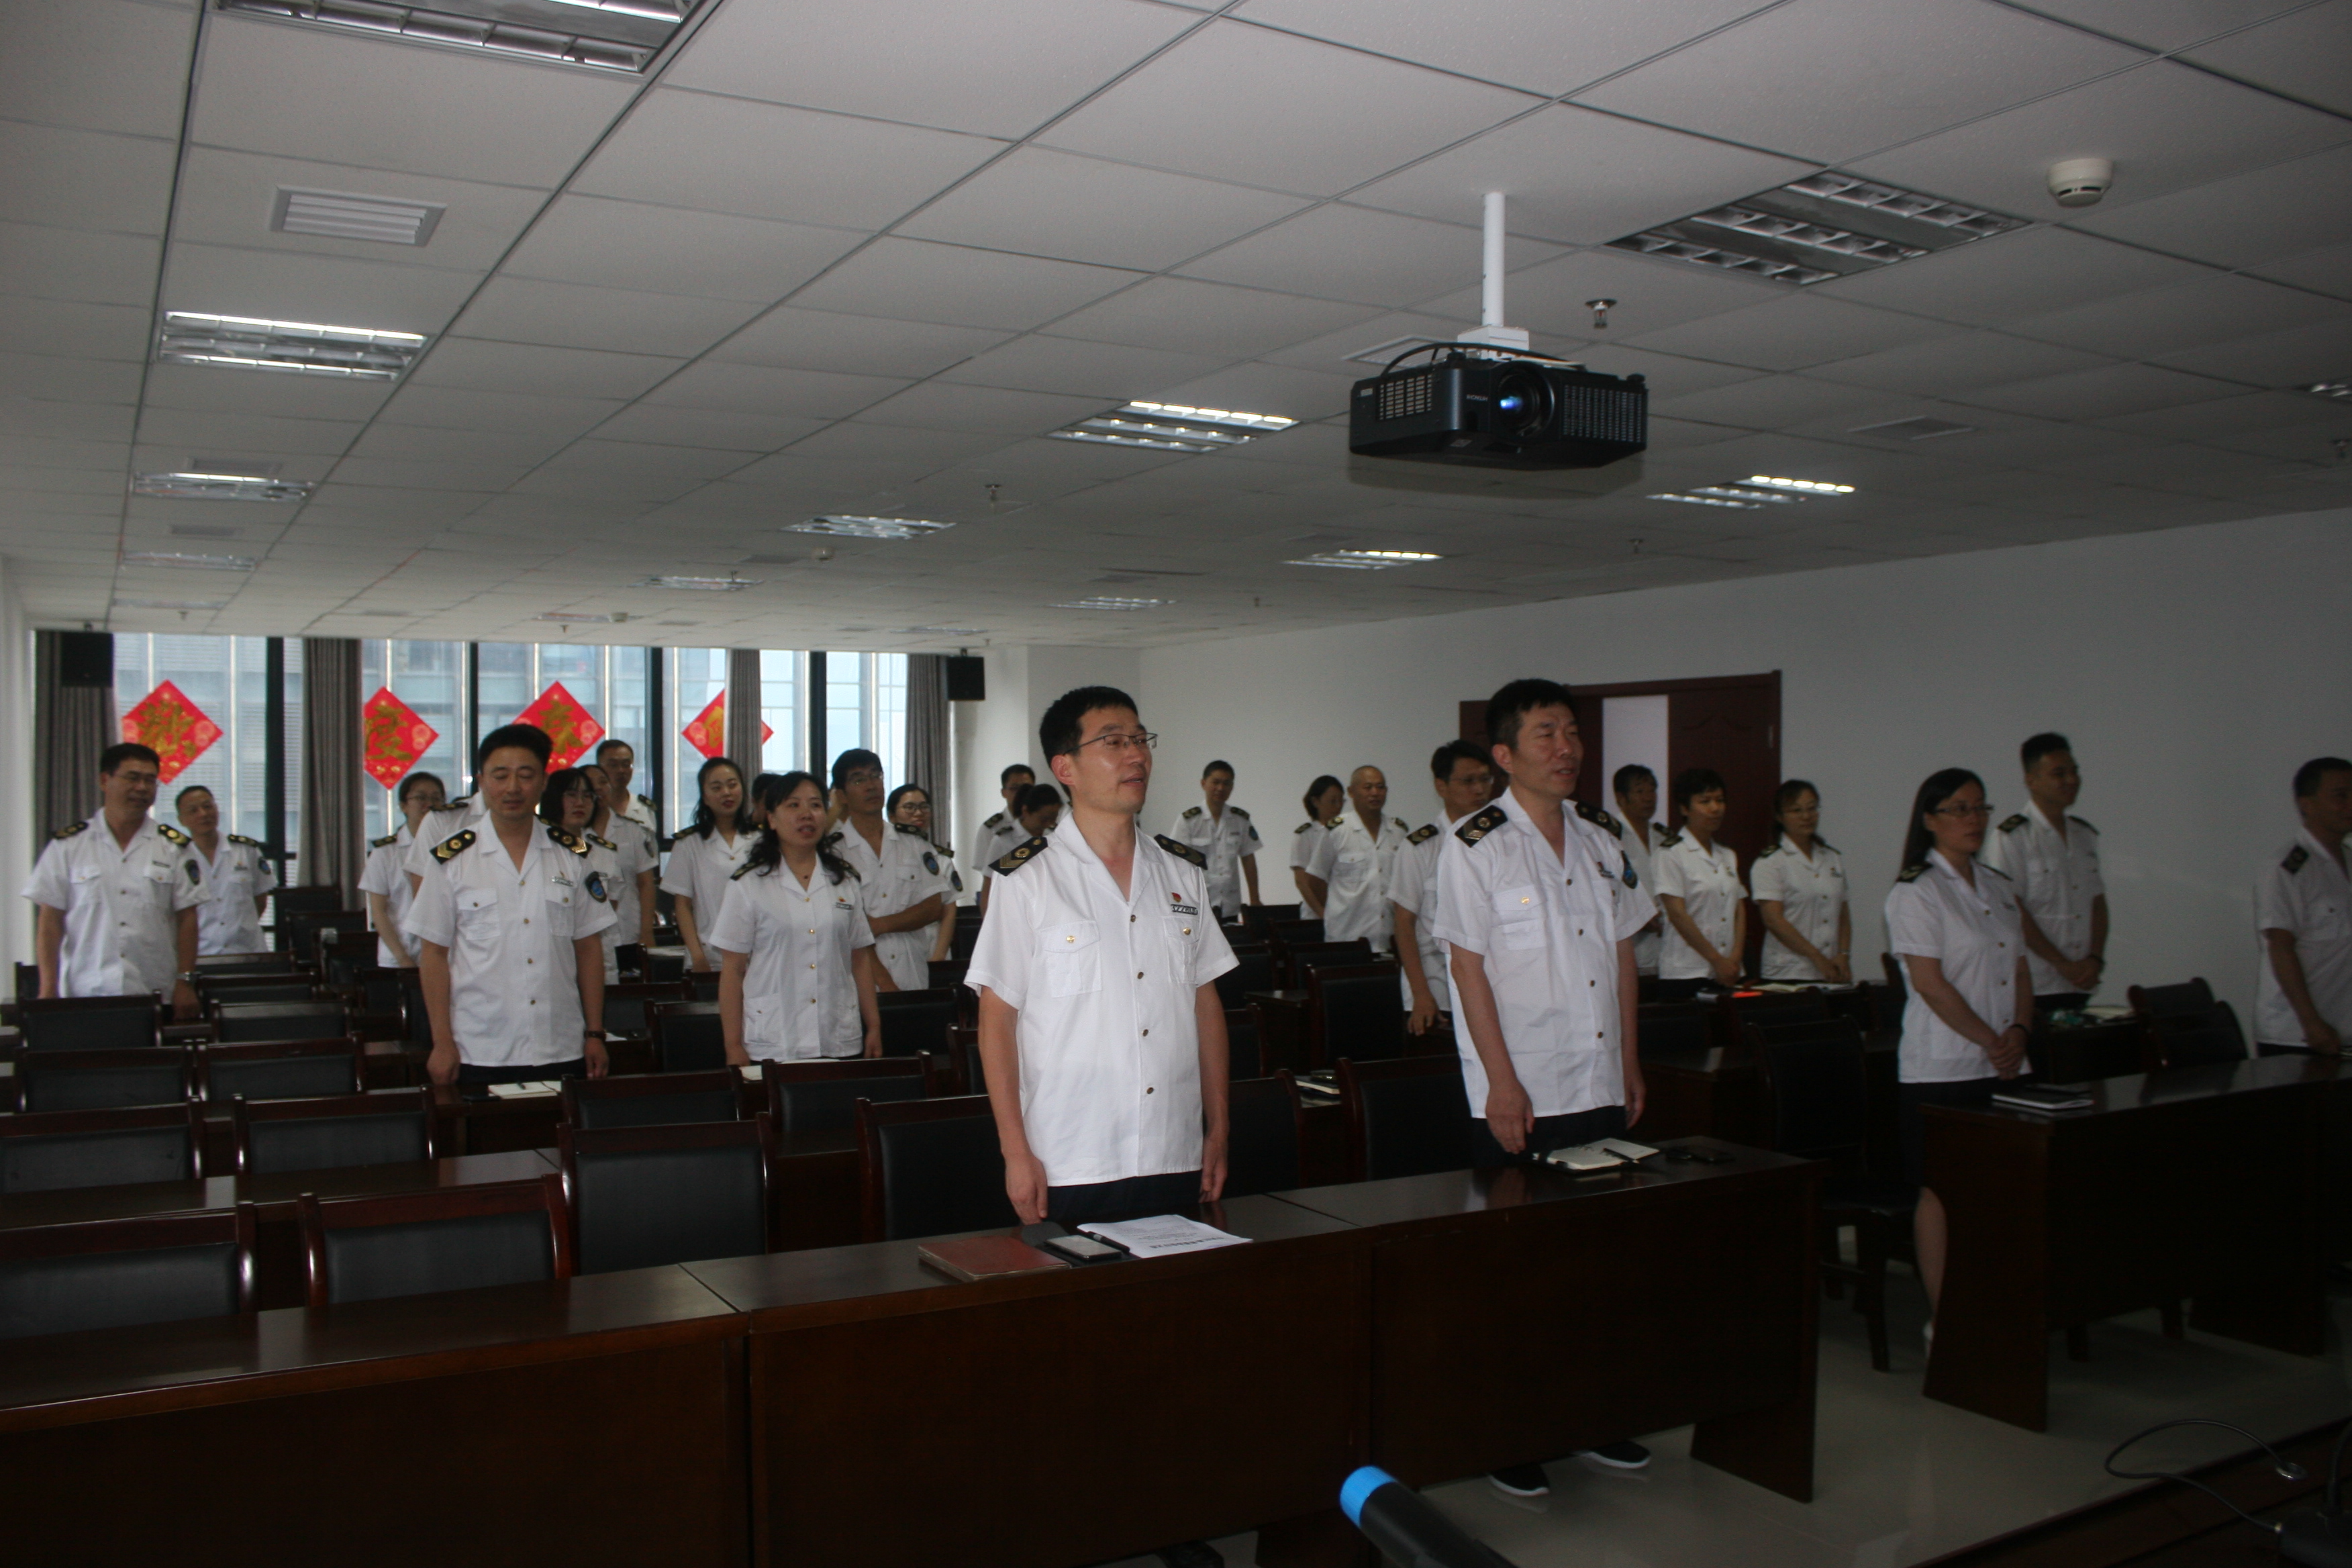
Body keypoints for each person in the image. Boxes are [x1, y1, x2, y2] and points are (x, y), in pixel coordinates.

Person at [1432, 679, 1655, 1489]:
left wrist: (1629, 1060)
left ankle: (1587, 1415)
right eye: (1545, 734)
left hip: (1595, 1078)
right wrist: (1501, 1082)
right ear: (1504, 754)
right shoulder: (1476, 845)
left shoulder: (1600, 837)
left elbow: (1623, 952)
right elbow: (1466, 967)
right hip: (1519, 1090)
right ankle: (1506, 1432)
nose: (1566, 748)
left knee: (1594, 1262)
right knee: (1515, 1270)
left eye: (1572, 732)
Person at [967, 685, 1237, 1228]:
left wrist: (1219, 1129)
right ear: (1065, 767)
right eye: (1114, 742)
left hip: (1173, 1147)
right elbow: (997, 1022)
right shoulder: (1028, 879)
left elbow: (1205, 1005)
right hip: (1070, 1157)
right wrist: (1015, 1151)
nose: (1136, 755)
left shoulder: (1182, 874)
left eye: (1140, 740)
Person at [1885, 767, 2030, 1338]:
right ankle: (1946, 1324)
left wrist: (2019, 1031)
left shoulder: (1998, 886)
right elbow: (1930, 983)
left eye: (1980, 808)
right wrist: (1992, 1039)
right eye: (1958, 809)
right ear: (1929, 819)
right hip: (1942, 1066)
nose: (1973, 819)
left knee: (1997, 1193)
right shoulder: (1916, 890)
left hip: (2005, 1062)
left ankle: (1992, 1306)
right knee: (1941, 1194)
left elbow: (2020, 969)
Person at [405, 724, 614, 1087]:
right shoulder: (451, 859)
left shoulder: (572, 855)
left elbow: (588, 947)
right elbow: (434, 954)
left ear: (544, 781)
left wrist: (595, 1033)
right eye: (501, 776)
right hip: (480, 1047)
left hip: (561, 1043)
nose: (513, 788)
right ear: (483, 781)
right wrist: (442, 1042)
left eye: (526, 775)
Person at [709, 771, 884, 1065]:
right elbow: (733, 971)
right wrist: (733, 1045)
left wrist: (874, 1026)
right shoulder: (747, 885)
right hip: (774, 1039)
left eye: (815, 805)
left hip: (837, 1034)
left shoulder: (844, 881)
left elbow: (860, 960)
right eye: (793, 805)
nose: (807, 814)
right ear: (772, 819)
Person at [26, 742, 209, 1017]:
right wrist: (48, 988)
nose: (142, 788)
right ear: (105, 781)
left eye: (150, 780)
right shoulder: (69, 846)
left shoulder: (174, 848)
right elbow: (50, 921)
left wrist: (185, 982)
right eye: (133, 778)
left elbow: (187, 919)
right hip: (85, 991)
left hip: (155, 989)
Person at [1980, 733, 2106, 1014]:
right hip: (2035, 985)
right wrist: (2062, 964)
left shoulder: (2084, 836)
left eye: (2074, 771)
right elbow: (2010, 909)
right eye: (2059, 774)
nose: (2071, 780)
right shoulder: (2012, 838)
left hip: (2080, 983)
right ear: (2031, 780)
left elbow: (2097, 903)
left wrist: (2095, 959)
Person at [822, 750, 953, 993]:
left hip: (911, 973)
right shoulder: (833, 852)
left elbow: (933, 907)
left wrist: (880, 925)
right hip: (857, 981)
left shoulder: (914, 843)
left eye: (876, 776)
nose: (871, 785)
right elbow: (844, 924)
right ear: (841, 795)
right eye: (859, 780)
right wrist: (885, 983)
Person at [1391, 740, 1493, 1033]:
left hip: (1492, 991)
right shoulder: (1421, 847)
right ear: (1441, 786)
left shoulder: (1500, 843)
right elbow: (1404, 924)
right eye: (1468, 781)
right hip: (1437, 993)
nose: (1480, 790)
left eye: (1485, 779)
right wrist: (1421, 994)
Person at [2254, 756, 2352, 1055]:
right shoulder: (2288, 868)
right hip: (2299, 1036)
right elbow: (2280, 947)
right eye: (2341, 796)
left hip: (2343, 1031)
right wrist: (2311, 1023)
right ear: (2306, 804)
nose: (2351, 804)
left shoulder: (2348, 860)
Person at [1651, 767, 1745, 997]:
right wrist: (1717, 960)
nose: (1715, 808)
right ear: (1685, 808)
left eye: (1720, 800)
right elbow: (1677, 914)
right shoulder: (1671, 853)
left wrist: (1734, 958)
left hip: (1729, 971)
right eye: (1705, 801)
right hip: (1686, 973)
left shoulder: (1727, 855)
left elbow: (1739, 909)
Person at [1749, 779, 1851, 983]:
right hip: (1788, 971)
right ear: (1780, 817)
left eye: (1811, 809)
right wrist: (1816, 956)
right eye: (1796, 811)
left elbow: (1843, 913)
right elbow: (1774, 920)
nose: (1806, 816)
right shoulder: (1770, 862)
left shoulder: (1832, 858)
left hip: (1831, 969)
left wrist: (1843, 954)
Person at [540, 767, 634, 985]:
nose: (580, 803)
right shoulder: (537, 849)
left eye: (587, 796)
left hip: (599, 957)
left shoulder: (604, 852)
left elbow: (611, 905)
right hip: (553, 959)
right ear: (553, 798)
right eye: (571, 795)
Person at [1305, 766, 1412, 954]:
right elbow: (1315, 879)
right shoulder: (1337, 831)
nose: (1375, 793)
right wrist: (1337, 909)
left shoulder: (1398, 831)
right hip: (1347, 937)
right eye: (1368, 787)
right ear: (1351, 792)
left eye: (1380, 787)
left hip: (1390, 937)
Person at [660, 756, 753, 973]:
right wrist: (697, 956)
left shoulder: (762, 840)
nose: (727, 793)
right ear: (705, 797)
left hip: (756, 955)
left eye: (732, 785)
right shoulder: (688, 844)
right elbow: (682, 905)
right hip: (709, 957)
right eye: (717, 788)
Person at [174, 784, 277, 956]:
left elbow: (260, 899)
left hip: (247, 951)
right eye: (193, 810)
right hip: (200, 955)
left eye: (208, 806)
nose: (203, 814)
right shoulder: (178, 858)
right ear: (181, 820)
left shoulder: (246, 850)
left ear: (216, 808)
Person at [360, 771, 446, 969]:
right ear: (403, 806)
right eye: (421, 798)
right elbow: (378, 911)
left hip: (446, 957)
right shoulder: (385, 853)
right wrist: (402, 958)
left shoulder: (453, 848)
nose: (429, 804)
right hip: (400, 956)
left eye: (436, 798)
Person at [583, 761, 658, 961]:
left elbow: (646, 883)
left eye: (603, 782)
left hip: (628, 928)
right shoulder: (573, 834)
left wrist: (647, 932)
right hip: (586, 935)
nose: (599, 789)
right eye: (591, 784)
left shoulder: (632, 830)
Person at [1171, 759, 1262, 920]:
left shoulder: (1240, 820)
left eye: (1226, 784)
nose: (1221, 788)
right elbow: (1175, 862)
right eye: (1216, 782)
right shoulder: (1188, 821)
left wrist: (1255, 899)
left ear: (1232, 787)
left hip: (1230, 905)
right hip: (1197, 905)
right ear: (1203, 783)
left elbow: (1248, 859)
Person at [888, 783, 962, 965]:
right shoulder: (883, 857)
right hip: (893, 944)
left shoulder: (940, 859)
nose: (918, 813)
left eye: (924, 807)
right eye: (909, 807)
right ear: (891, 816)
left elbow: (949, 911)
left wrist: (939, 956)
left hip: (933, 945)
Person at [1612, 765, 1665, 979]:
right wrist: (1639, 916)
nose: (1649, 798)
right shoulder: (1610, 837)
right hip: (1629, 946)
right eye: (1640, 791)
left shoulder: (1663, 837)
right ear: (1621, 798)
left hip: (1665, 950)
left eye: (1652, 790)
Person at [981, 783, 1063, 898]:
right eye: (1043, 819)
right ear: (1026, 811)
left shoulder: (1055, 836)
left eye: (1053, 819)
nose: (1049, 824)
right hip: (1014, 900)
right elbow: (990, 882)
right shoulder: (1004, 841)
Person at [974, 763, 1035, 908]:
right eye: (1014, 788)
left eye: (1027, 788)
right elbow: (988, 877)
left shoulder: (1045, 827)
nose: (1021, 793)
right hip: (1005, 901)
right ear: (1003, 792)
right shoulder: (991, 829)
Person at [1290, 775, 1344, 914]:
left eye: (1341, 801)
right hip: (1315, 914)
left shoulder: (1345, 831)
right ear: (1315, 802)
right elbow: (1302, 882)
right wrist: (1322, 913)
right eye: (1333, 801)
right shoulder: (1305, 835)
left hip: (1344, 910)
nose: (1338, 806)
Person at [595, 738, 657, 834]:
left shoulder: (645, 808)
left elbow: (651, 843)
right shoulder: (590, 807)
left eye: (626, 765)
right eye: (613, 765)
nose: (621, 770)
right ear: (599, 768)